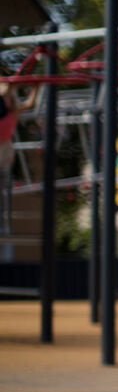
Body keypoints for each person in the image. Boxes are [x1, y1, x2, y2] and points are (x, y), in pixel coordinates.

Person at [0, 82, 39, 261]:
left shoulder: (12, 111)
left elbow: (30, 104)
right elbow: (5, 89)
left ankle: (2, 223)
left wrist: (36, 87)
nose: (8, 99)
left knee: (3, 192)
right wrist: (11, 84)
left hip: (4, 155)